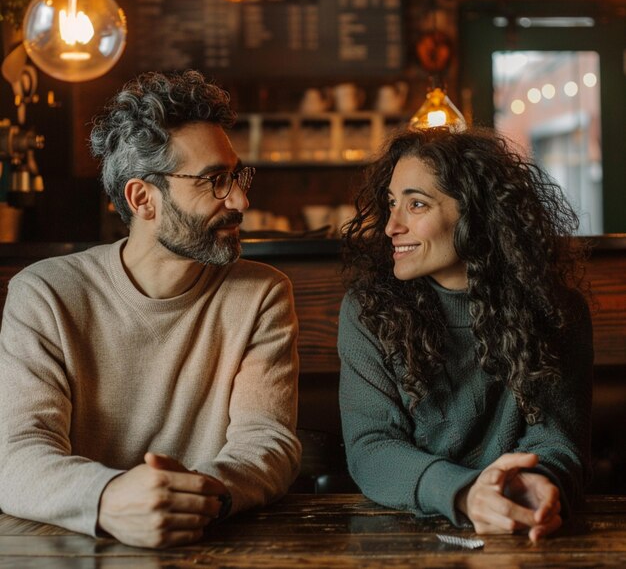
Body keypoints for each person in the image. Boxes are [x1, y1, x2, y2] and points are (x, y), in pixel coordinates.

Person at [0, 70, 301, 548]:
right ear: (143, 198)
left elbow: (266, 443)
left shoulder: (260, 293)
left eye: (236, 175)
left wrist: (196, 497)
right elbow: (17, 458)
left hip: (212, 542)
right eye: (214, 181)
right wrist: (111, 498)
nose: (241, 199)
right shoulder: (45, 294)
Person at [338, 126, 593, 542]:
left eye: (416, 204)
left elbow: (556, 440)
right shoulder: (369, 312)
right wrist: (465, 493)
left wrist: (540, 483)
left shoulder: (556, 311)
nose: (390, 226)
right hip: (403, 537)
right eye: (390, 204)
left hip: (522, 528)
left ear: (475, 213)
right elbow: (372, 447)